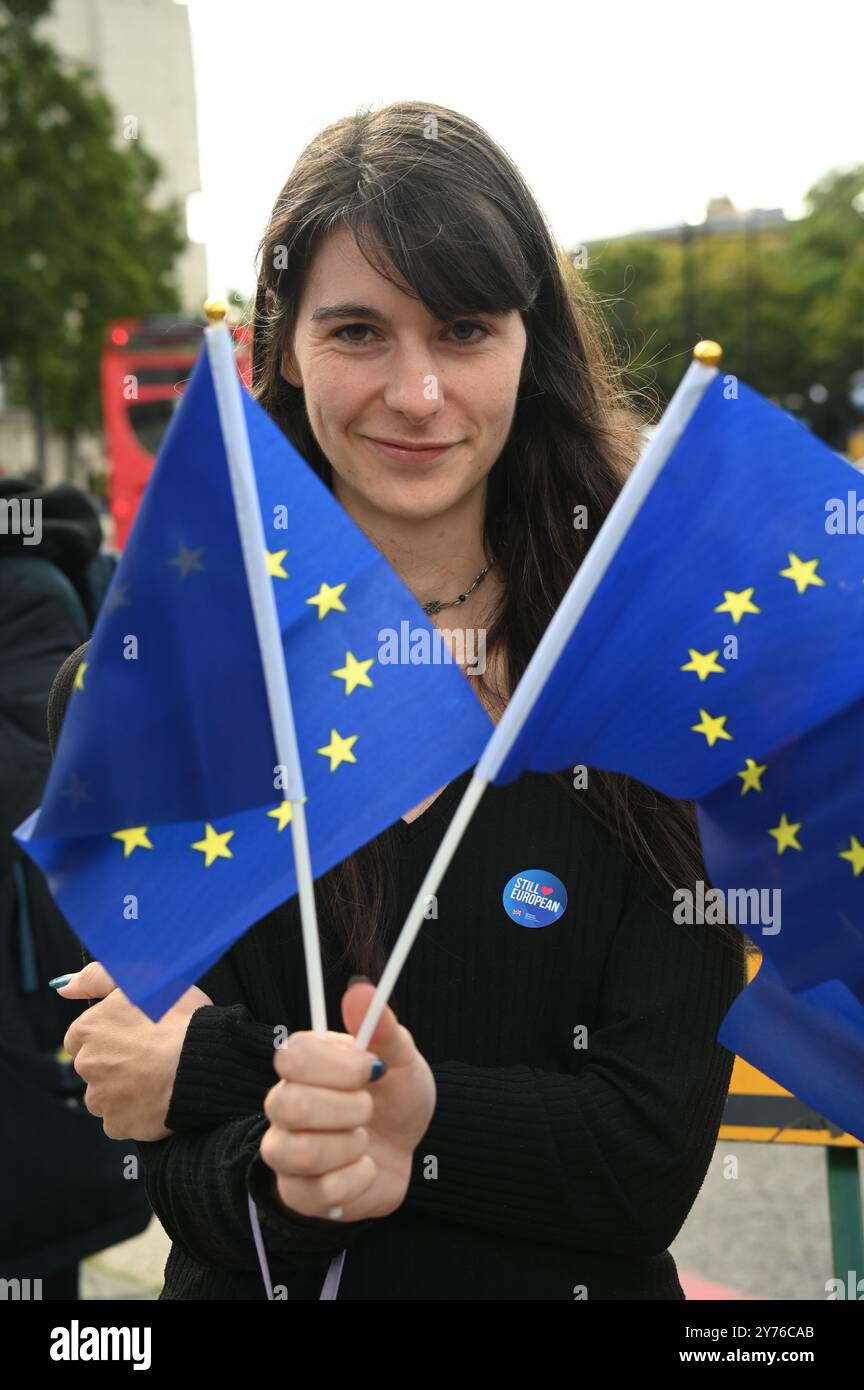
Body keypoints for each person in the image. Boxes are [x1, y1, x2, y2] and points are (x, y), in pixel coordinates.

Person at [54, 100, 749, 1300]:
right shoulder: (155, 686)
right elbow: (163, 1147)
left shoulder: (663, 672)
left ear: (532, 349)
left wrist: (339, 1105)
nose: (418, 393)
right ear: (279, 350)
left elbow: (644, 1160)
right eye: (360, 331)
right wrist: (312, 1169)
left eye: (466, 329)